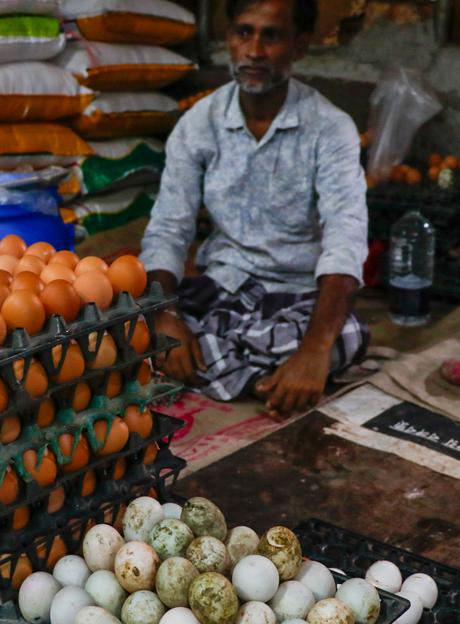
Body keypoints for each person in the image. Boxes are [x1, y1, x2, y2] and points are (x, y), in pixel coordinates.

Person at [140, 0, 369, 414]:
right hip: (221, 289)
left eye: (273, 36)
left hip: (297, 295)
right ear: (228, 39)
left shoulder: (330, 128)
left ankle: (240, 367)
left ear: (300, 46)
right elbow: (168, 228)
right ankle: (258, 372)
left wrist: (315, 350)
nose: (255, 51)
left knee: (347, 334)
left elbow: (345, 238)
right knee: (129, 324)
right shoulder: (200, 123)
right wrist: (165, 317)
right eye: (243, 33)